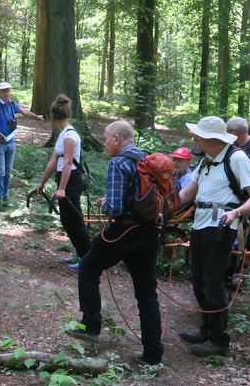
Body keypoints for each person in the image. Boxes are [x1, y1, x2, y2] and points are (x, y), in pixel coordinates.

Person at [67, 120, 164, 366]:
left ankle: (90, 326)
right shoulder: (146, 159)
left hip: (124, 230)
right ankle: (153, 353)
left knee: (88, 267)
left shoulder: (119, 162)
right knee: (146, 292)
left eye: (107, 137)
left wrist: (106, 203)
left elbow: (116, 207)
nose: (105, 142)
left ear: (118, 139)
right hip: (150, 231)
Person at [178, 116, 250, 357]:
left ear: (211, 139)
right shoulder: (206, 160)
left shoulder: (236, 158)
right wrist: (163, 205)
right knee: (198, 279)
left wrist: (235, 213)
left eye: (198, 136)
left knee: (213, 282)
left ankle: (219, 340)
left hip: (221, 225)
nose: (194, 139)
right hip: (199, 224)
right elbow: (186, 193)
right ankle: (206, 330)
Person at [35, 95, 91, 269]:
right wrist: (42, 182)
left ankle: (87, 259)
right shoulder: (63, 135)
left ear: (54, 116)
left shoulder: (69, 137)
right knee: (68, 220)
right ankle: (79, 253)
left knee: (74, 220)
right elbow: (53, 160)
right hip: (64, 179)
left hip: (71, 181)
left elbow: (67, 163)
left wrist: (61, 189)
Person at [0, 81, 44, 203]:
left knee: (8, 172)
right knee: (0, 172)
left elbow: (24, 111)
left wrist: (37, 117)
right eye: (3, 91)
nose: (6, 93)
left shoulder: (12, 104)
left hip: (11, 142)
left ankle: (5, 197)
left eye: (8, 90)